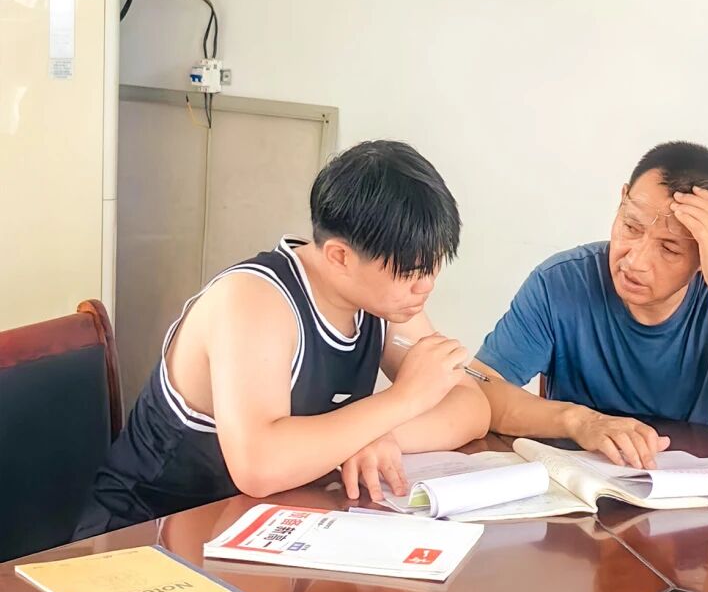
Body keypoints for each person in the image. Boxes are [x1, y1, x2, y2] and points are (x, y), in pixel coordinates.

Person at [76, 141, 490, 537]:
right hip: (143, 534)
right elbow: (259, 466)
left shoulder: (384, 301)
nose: (426, 286)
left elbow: (470, 405)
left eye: (434, 266)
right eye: (411, 272)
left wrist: (383, 435)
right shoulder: (254, 300)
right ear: (340, 257)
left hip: (258, 526)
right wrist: (401, 401)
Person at [472, 141, 708, 469]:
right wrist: (578, 421)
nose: (635, 261)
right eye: (631, 227)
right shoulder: (560, 282)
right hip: (580, 484)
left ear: (707, 253)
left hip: (689, 486)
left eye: (669, 249)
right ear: (622, 200)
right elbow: (480, 388)